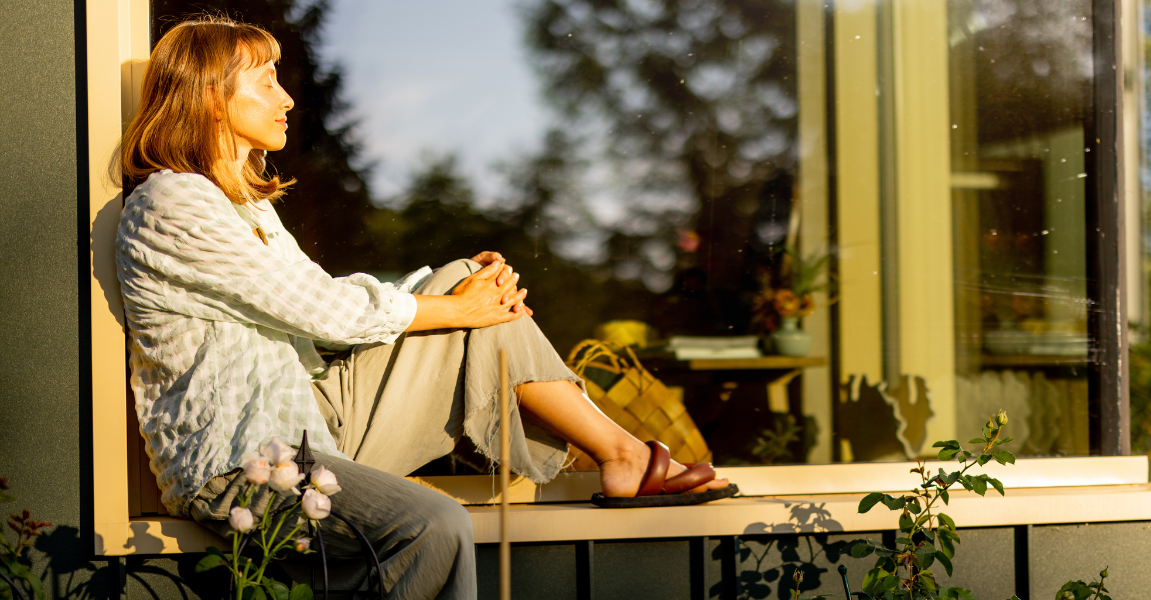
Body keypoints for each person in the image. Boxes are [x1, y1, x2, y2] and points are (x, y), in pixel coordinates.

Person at [112, 16, 735, 600]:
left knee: (470, 279)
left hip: (314, 425)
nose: (287, 99)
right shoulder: (173, 203)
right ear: (211, 96)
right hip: (241, 461)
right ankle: (625, 458)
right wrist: (457, 310)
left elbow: (327, 309)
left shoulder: (248, 209)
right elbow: (323, 311)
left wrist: (462, 296)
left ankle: (623, 456)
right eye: (267, 80)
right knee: (434, 523)